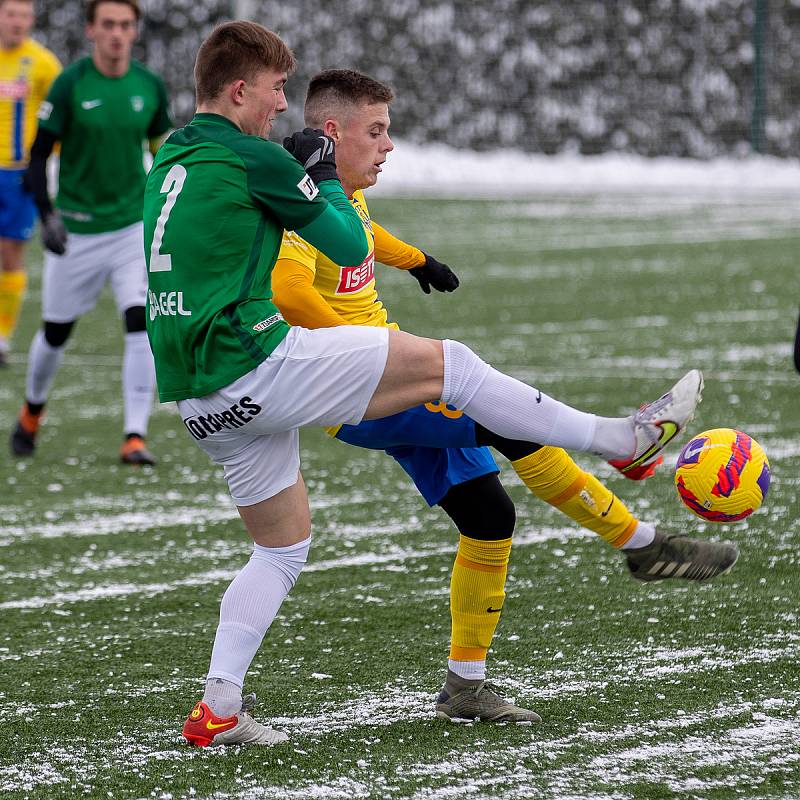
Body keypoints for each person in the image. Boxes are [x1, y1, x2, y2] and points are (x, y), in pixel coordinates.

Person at [145, 21, 710, 747]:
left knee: (284, 547)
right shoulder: (259, 157)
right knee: (454, 366)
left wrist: (407, 255)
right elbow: (345, 243)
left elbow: (260, 240)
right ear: (238, 89)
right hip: (256, 362)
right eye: (276, 90)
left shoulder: (173, 156)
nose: (280, 106)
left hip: (199, 394)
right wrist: (309, 176)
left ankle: (218, 708)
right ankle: (623, 444)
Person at [271, 69, 740, 724]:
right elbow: (290, 291)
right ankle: (638, 535)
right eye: (376, 131)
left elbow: (363, 237)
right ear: (331, 133)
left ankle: (465, 686)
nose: (389, 145)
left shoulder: (342, 197)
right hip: (364, 386)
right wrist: (361, 352)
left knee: (489, 518)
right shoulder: (301, 206)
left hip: (379, 380)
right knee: (506, 420)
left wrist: (415, 260)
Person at [9, 0, 171, 465]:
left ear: (135, 31)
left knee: (140, 322)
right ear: (91, 30)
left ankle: (135, 436)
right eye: (108, 25)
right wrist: (47, 214)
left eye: (125, 25)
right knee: (56, 332)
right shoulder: (70, 83)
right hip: (75, 231)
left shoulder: (149, 86)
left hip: (131, 229)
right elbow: (38, 155)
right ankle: (32, 411)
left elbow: (162, 153)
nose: (117, 33)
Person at [0, 0, 59, 366]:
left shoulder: (43, 63)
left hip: (18, 174)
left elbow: (62, 114)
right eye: (10, 14)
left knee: (10, 256)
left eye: (24, 15)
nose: (17, 22)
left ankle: (2, 337)